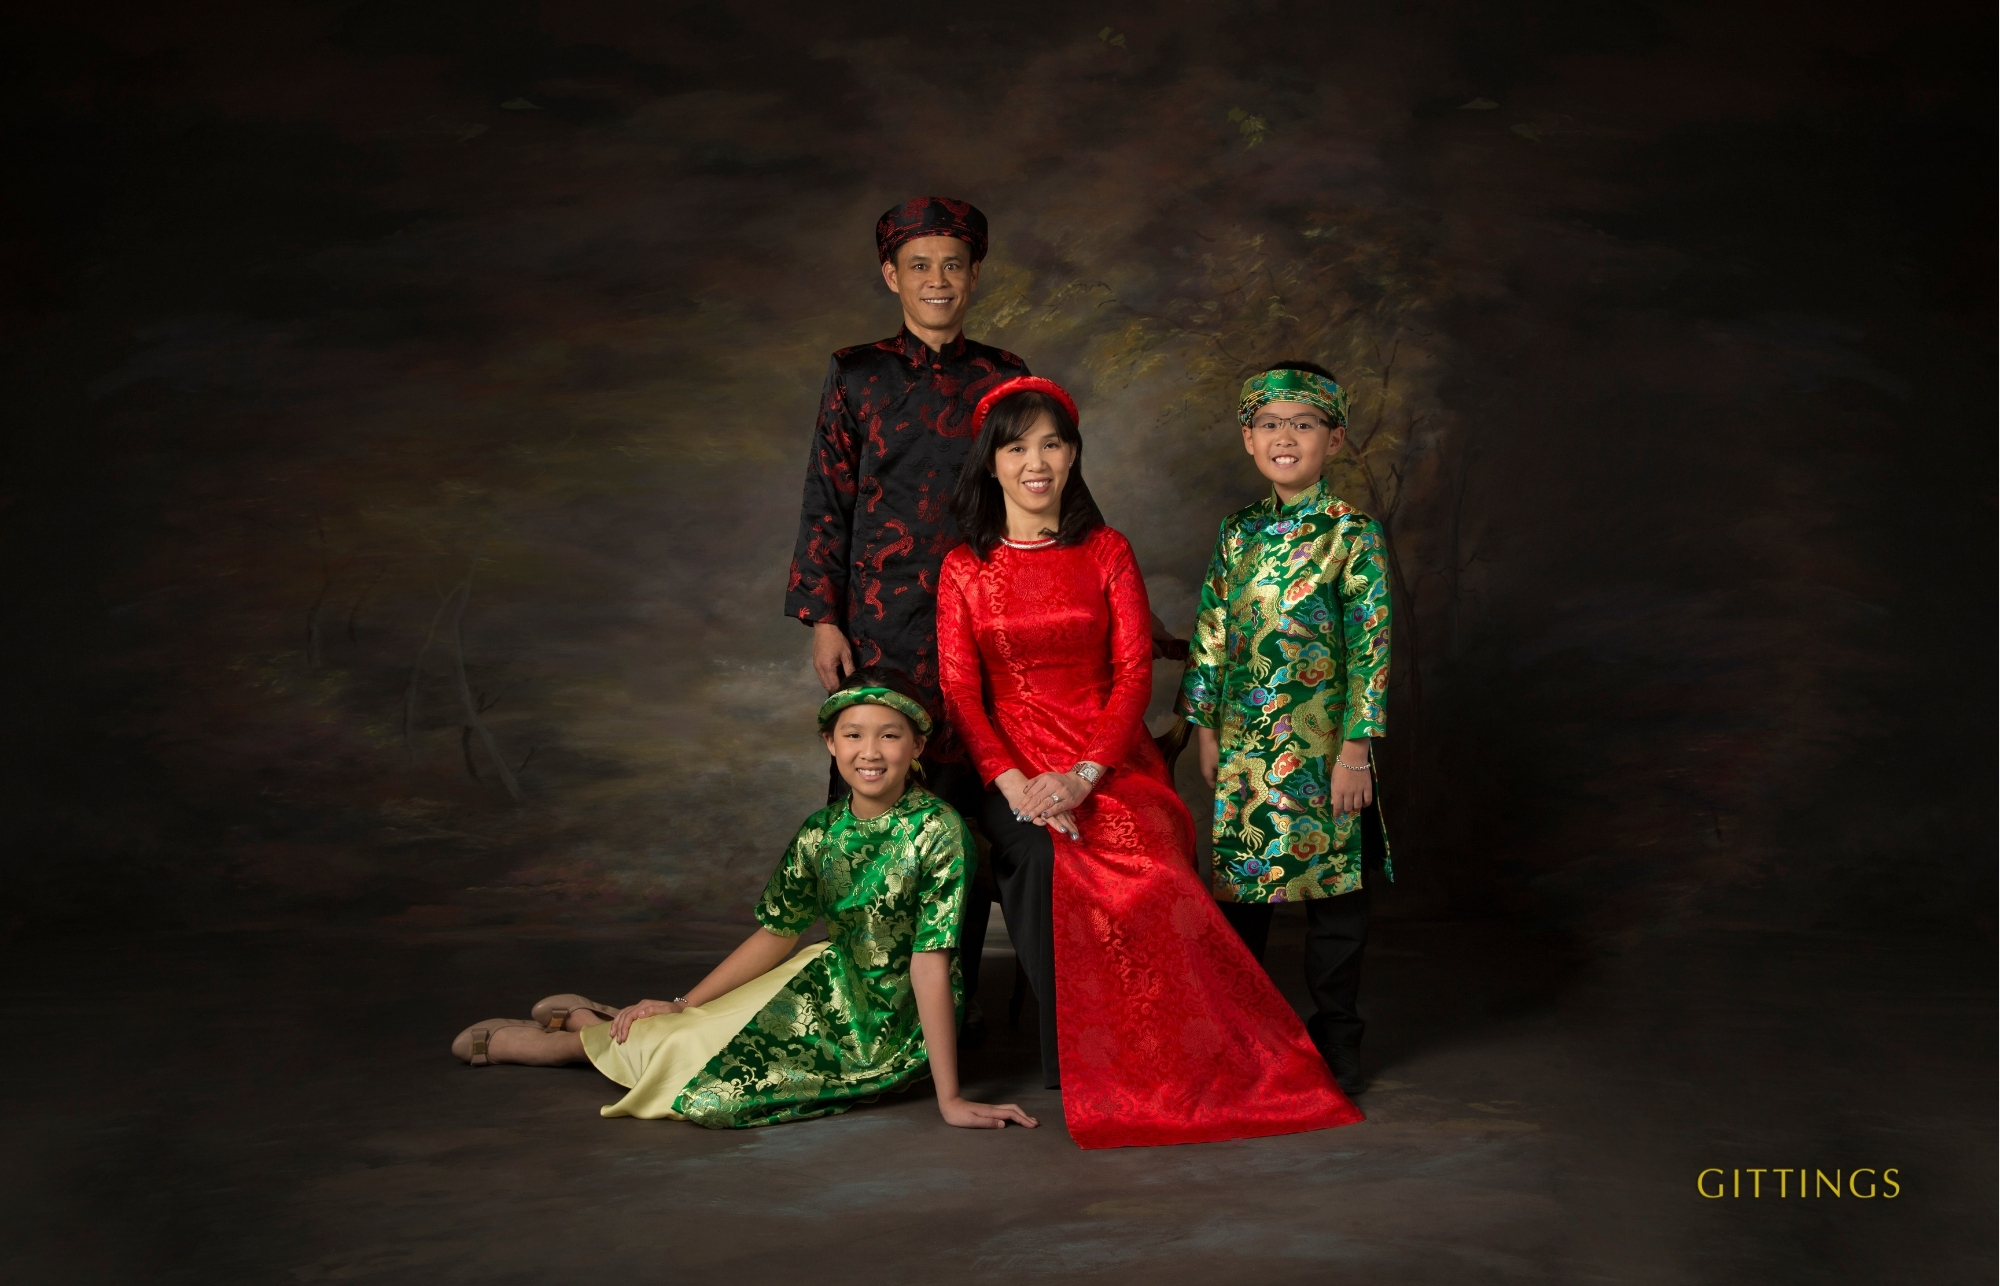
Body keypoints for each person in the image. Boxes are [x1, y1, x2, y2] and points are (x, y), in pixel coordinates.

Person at [934, 374, 1360, 1149]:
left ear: (1073, 456)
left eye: (1053, 445)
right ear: (990, 463)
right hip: (1015, 771)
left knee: (1156, 859)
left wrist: (1083, 776)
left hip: (1111, 765)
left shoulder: (1106, 550)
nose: (1037, 463)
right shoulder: (965, 566)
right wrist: (1019, 784)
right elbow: (962, 693)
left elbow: (1134, 674)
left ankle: (1180, 1050)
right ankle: (1079, 1056)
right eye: (1017, 448)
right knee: (1042, 854)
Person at [446, 668, 1037, 1133]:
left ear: (918, 745)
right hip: (828, 980)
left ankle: (574, 1041)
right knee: (690, 1027)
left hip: (893, 1019)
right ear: (830, 743)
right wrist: (682, 1001)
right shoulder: (821, 831)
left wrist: (950, 1097)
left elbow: (930, 960)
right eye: (853, 734)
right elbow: (779, 931)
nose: (871, 751)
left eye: (890, 735)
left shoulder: (938, 831)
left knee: (709, 1086)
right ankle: (583, 1031)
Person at [784, 196, 1029, 1015]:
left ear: (974, 275)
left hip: (980, 622)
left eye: (953, 265)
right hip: (879, 627)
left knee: (962, 806)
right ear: (891, 275)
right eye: (919, 265)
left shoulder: (1004, 377)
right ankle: (866, 1001)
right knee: (877, 796)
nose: (937, 280)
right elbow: (827, 500)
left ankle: (949, 1007)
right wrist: (824, 618)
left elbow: (1032, 496)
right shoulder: (856, 374)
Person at [1180, 361, 1393, 1095]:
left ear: (1333, 440)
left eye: (1304, 424)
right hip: (1245, 747)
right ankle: (1249, 1036)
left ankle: (1338, 1038)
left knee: (1335, 898)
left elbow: (1371, 644)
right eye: (1270, 424)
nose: (1285, 438)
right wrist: (1205, 727)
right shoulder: (1236, 531)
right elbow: (1211, 630)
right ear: (1248, 438)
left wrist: (1357, 749)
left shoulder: (1352, 533)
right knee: (1244, 898)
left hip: (1326, 748)